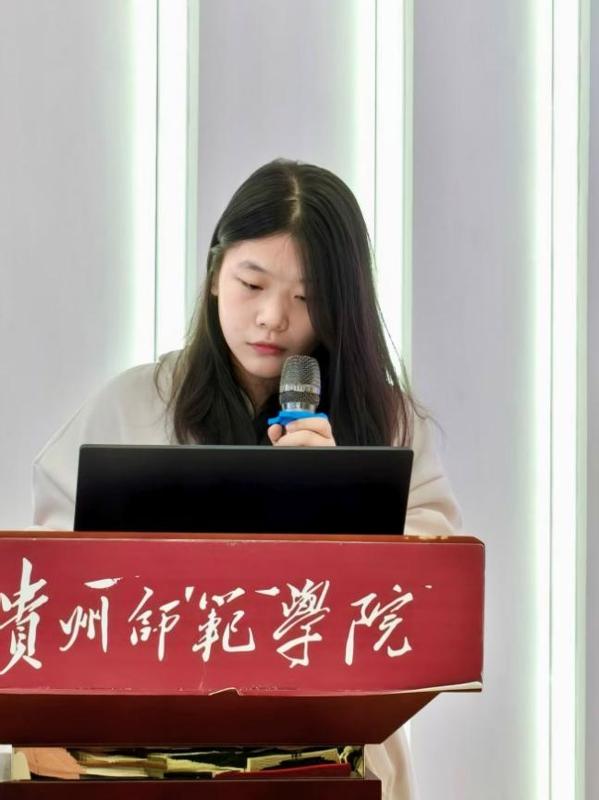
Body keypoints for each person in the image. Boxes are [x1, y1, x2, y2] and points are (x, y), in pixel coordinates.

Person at [33, 158, 461, 799]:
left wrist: (341, 503)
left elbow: (434, 585)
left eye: (306, 297)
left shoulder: (389, 420)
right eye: (251, 283)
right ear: (214, 274)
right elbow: (53, 574)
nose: (272, 317)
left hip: (325, 751)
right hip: (151, 754)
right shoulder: (132, 404)